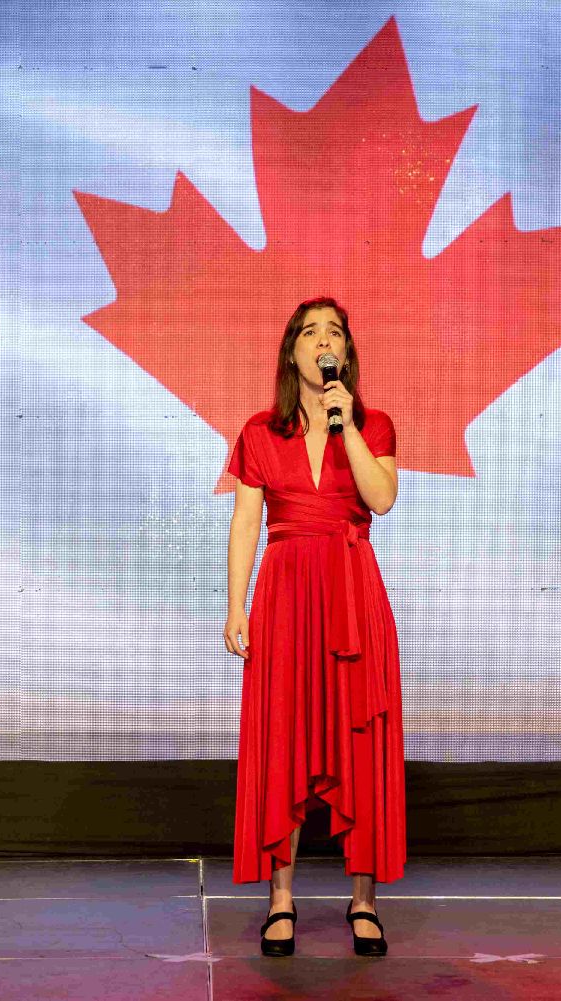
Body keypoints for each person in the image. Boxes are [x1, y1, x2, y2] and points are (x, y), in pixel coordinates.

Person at [223, 296, 404, 958]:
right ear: (292, 351)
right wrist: (236, 605)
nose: (323, 341)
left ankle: (364, 900)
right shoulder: (259, 432)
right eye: (310, 332)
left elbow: (381, 498)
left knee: (361, 737)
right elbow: (246, 520)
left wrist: (345, 422)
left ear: (345, 354)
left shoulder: (373, 424)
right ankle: (281, 898)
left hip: (353, 595)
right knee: (285, 736)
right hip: (286, 597)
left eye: (334, 333)